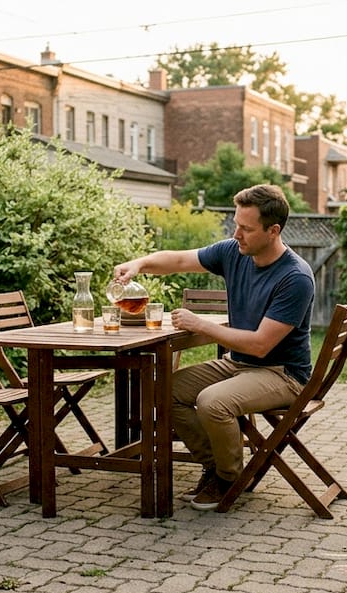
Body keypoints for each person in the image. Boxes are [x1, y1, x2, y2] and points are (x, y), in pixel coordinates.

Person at [113, 184, 314, 511]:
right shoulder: (234, 253)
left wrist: (200, 324)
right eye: (236, 224)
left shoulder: (295, 278)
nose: (237, 234)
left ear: (273, 230)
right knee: (163, 388)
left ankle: (229, 477)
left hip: (282, 374)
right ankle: (216, 466)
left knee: (212, 402)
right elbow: (178, 260)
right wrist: (138, 264)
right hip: (241, 365)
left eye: (246, 228)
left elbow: (262, 345)